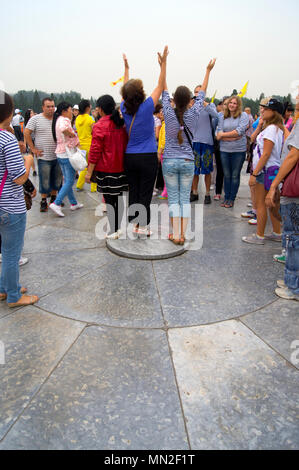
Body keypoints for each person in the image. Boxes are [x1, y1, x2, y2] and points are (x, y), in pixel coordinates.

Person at [161, 58, 216, 244]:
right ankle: (182, 235)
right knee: (184, 199)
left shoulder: (168, 113)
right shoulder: (194, 113)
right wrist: (207, 70)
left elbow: (163, 89)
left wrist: (164, 65)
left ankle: (175, 234)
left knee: (173, 199)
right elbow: (202, 93)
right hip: (187, 161)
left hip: (169, 160)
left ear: (174, 100)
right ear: (189, 100)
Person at [120, 47, 168, 236]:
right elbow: (160, 83)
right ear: (140, 92)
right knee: (146, 191)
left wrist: (126, 69)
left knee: (134, 190)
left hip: (130, 156)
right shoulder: (148, 106)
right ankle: (143, 226)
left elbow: (126, 87)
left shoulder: (124, 107)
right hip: (147, 155)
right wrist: (163, 64)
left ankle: (135, 224)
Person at [0, 91, 38, 307]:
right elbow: (19, 178)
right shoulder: (6, 138)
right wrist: (29, 160)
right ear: (7, 111)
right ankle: (14, 295)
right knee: (11, 253)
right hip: (9, 205)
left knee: (5, 251)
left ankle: (3, 287)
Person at [242, 99, 285, 245]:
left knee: (261, 204)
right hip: (270, 169)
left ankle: (259, 235)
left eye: (266, 109)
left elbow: (266, 154)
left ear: (274, 112)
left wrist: (254, 174)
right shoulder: (276, 128)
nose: (262, 110)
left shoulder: (271, 129)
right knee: (270, 203)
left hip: (264, 171)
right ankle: (277, 232)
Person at [266, 112, 299, 300]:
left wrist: (274, 184)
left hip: (295, 192)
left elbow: (293, 155)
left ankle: (294, 286)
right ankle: (291, 279)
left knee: (294, 238)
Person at [85, 95, 128, 239]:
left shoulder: (99, 126)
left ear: (101, 109)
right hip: (121, 167)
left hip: (106, 168)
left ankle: (113, 230)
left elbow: (95, 152)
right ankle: (118, 228)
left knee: (109, 200)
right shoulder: (121, 124)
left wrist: (89, 172)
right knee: (118, 198)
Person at [24, 97, 62, 212]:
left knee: (57, 179)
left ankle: (54, 198)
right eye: (48, 106)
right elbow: (26, 133)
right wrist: (33, 148)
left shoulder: (58, 119)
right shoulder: (35, 119)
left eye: (52, 106)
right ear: (43, 107)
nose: (51, 109)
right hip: (43, 156)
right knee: (44, 179)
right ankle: (44, 200)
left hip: (58, 155)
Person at [49, 102, 84, 217]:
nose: (72, 113)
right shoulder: (64, 120)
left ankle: (74, 203)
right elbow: (64, 129)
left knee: (67, 180)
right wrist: (73, 135)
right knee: (69, 181)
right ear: (64, 111)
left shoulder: (58, 119)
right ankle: (57, 203)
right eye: (70, 110)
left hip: (60, 154)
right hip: (67, 154)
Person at [216, 95, 249, 208]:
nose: (232, 105)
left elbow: (239, 132)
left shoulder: (243, 115)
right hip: (224, 150)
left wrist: (223, 135)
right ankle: (226, 198)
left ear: (238, 105)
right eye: (231, 102)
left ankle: (231, 198)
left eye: (235, 103)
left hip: (238, 150)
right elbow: (217, 133)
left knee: (235, 175)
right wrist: (232, 136)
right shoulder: (221, 116)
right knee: (227, 174)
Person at [190, 87, 218, 204]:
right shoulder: (191, 106)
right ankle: (194, 192)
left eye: (200, 92)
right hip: (194, 142)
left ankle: (207, 193)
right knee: (194, 170)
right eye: (196, 92)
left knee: (207, 170)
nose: (197, 94)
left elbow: (216, 115)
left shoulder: (210, 105)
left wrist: (204, 103)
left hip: (207, 142)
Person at [75, 99, 97, 193]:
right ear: (87, 108)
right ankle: (94, 188)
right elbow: (95, 131)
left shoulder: (77, 118)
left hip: (81, 146)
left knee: (84, 167)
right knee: (93, 166)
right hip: (90, 145)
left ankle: (79, 185)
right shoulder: (90, 119)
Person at [24, 109, 37, 176]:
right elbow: (25, 134)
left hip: (36, 139)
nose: (33, 114)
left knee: (37, 155)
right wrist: (24, 143)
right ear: (29, 115)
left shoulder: (36, 120)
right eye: (31, 113)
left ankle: (38, 168)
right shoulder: (26, 123)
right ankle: (34, 170)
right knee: (31, 156)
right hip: (30, 140)